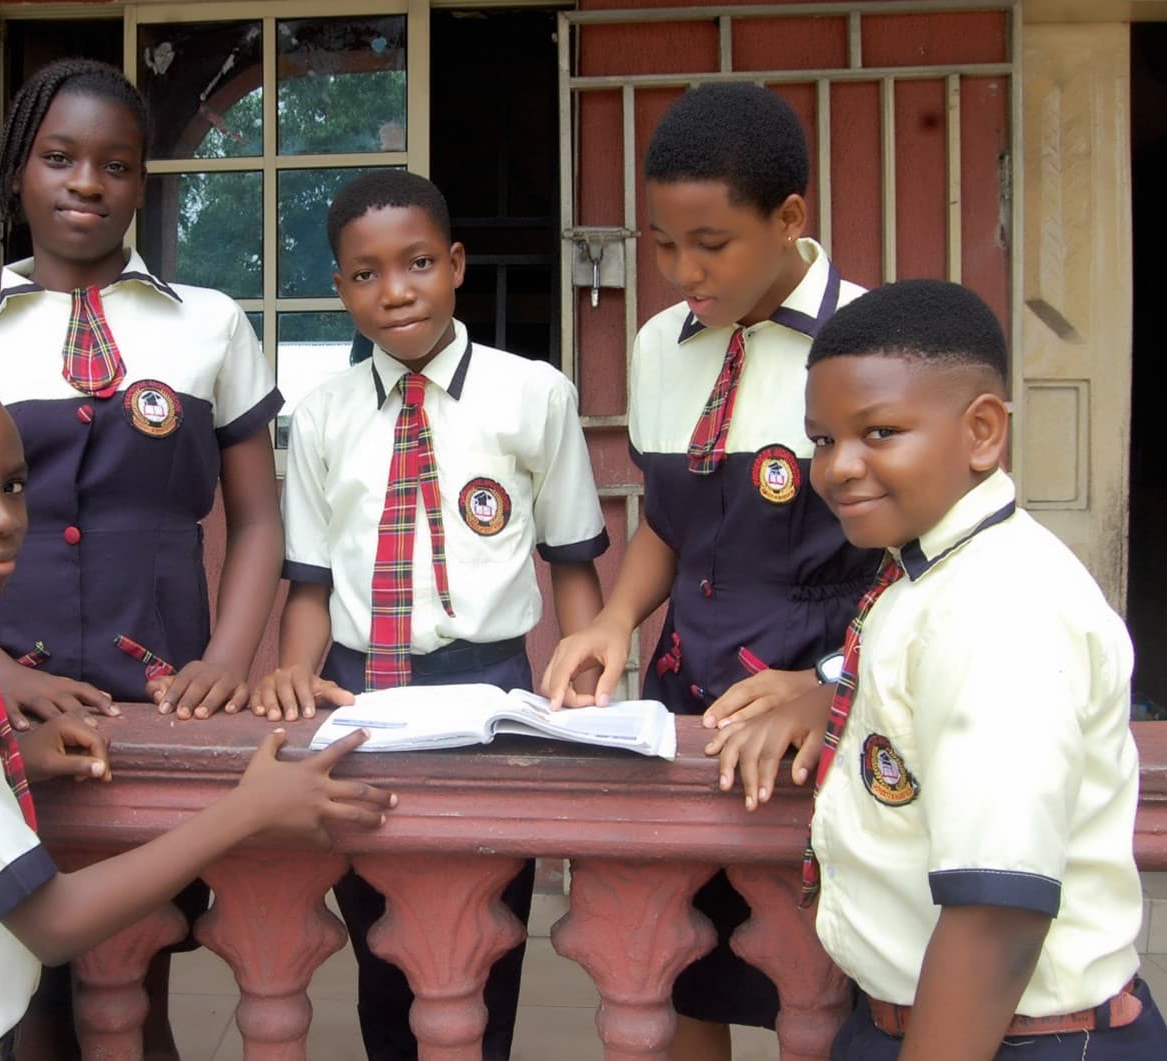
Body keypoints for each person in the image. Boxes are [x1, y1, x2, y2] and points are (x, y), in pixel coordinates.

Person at [0, 364, 393, 1061]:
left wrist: (12, 759)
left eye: (12, 485)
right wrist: (249, 809)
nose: (2, 517)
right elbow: (55, 923)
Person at [0, 59, 284, 1056]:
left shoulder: (208, 325)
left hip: (157, 696)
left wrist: (226, 660)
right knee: (19, 986)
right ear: (17, 173)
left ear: (141, 183)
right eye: (59, 158)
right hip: (3, 699)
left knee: (135, 971)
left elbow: (255, 520)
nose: (86, 182)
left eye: (115, 164)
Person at [710, 279, 1167, 1059]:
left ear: (982, 431)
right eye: (822, 440)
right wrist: (829, 695)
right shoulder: (931, 572)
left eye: (880, 431)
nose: (839, 468)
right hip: (918, 1018)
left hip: (1017, 1037)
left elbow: (996, 915)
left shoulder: (1001, 608)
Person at [541, 82, 879, 1058]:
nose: (681, 270)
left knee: (816, 981)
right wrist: (612, 622)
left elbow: (916, 570)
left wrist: (827, 691)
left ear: (787, 220)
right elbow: (673, 525)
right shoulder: (659, 345)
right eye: (661, 243)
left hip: (820, 711)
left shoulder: (872, 343)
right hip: (689, 703)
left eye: (710, 243)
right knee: (681, 962)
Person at [250, 169, 608, 1060]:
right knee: (379, 928)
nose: (395, 289)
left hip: (492, 685)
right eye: (365, 273)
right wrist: (296, 676)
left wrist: (587, 675)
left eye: (415, 263)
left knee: (490, 925)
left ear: (454, 264)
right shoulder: (322, 414)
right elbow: (307, 578)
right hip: (359, 687)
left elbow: (571, 562)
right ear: (339, 289)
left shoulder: (535, 395)